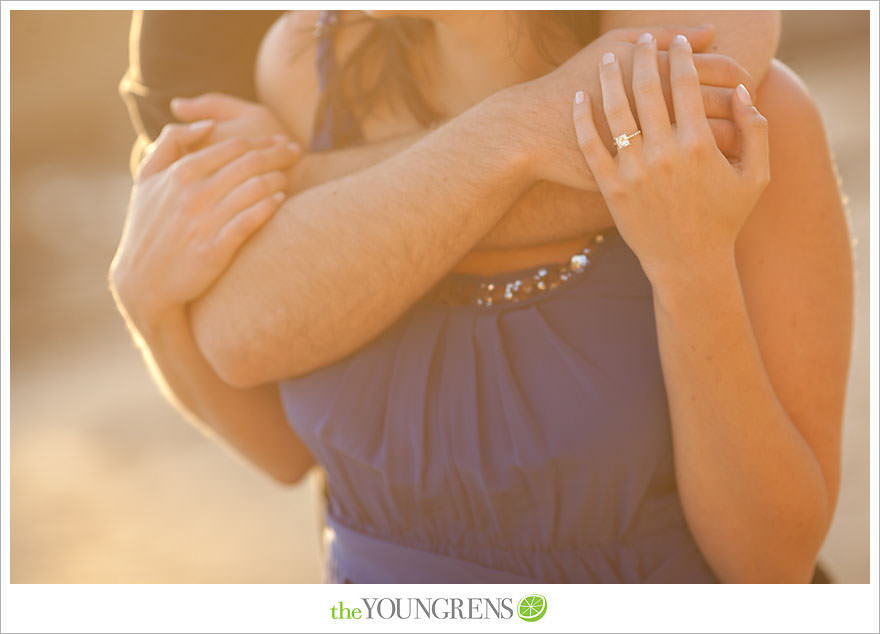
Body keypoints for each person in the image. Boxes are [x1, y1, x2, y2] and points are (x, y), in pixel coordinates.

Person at [111, 10, 851, 583]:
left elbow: (770, 567)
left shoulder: (742, 117)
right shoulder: (304, 77)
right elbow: (286, 452)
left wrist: (690, 270)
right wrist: (150, 308)